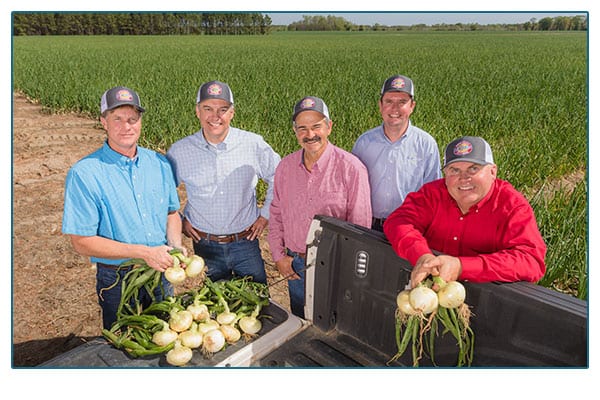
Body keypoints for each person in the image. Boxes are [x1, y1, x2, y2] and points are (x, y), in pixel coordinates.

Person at [62, 86, 183, 330]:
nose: (126, 126)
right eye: (117, 118)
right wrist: (144, 253)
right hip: (117, 278)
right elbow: (81, 241)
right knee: (123, 342)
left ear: (140, 122)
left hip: (160, 272)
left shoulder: (159, 163)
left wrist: (176, 247)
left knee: (165, 333)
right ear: (103, 122)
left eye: (132, 119)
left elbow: (171, 213)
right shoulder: (84, 173)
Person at [383, 136, 546, 288]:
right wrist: (422, 256)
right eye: (454, 170)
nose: (464, 177)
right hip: (428, 291)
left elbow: (530, 261)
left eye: (473, 168)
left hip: (483, 299)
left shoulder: (512, 206)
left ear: (493, 172)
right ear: (445, 174)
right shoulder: (432, 194)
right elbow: (398, 221)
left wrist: (461, 267)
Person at [166, 80, 280, 284]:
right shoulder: (180, 151)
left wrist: (265, 216)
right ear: (197, 111)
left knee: (258, 304)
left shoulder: (252, 144)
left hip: (245, 242)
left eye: (223, 109)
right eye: (207, 108)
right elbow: (164, 192)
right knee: (214, 308)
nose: (215, 116)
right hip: (204, 246)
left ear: (232, 113)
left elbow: (278, 176)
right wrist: (180, 219)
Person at [268, 96, 372, 318]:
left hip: (334, 266)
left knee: (333, 326)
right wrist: (278, 256)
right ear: (295, 132)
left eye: (316, 126)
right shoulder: (286, 167)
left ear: (329, 126)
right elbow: (276, 213)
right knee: (300, 321)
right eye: (302, 128)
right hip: (296, 264)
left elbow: (360, 227)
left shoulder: (351, 168)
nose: (310, 134)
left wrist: (347, 270)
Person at [352, 75, 441, 231]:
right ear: (380, 105)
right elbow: (353, 188)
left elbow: (433, 194)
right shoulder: (364, 143)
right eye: (389, 101)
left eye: (402, 102)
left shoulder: (426, 144)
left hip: (408, 227)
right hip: (369, 226)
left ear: (412, 106)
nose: (395, 109)